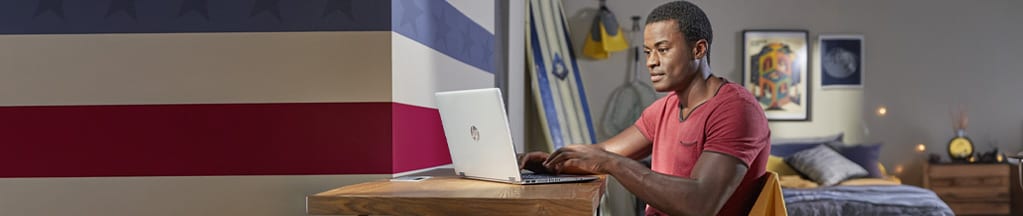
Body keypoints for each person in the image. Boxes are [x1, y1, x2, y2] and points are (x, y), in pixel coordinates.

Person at [519, 1, 770, 215]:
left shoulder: (736, 109)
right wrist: (549, 162)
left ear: (698, 49)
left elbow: (700, 203)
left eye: (663, 50)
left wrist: (611, 163)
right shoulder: (664, 108)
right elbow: (602, 152)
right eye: (648, 51)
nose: (651, 62)